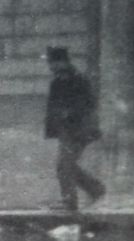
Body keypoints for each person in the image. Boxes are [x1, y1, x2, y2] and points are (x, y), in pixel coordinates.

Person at [44, 46, 106, 212]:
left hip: (79, 130)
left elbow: (88, 105)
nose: (50, 67)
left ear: (62, 62)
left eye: (53, 63)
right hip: (67, 130)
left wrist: (68, 114)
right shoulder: (58, 81)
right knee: (66, 165)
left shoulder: (78, 80)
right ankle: (95, 189)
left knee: (64, 165)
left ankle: (70, 202)